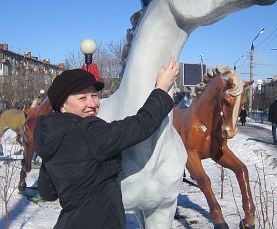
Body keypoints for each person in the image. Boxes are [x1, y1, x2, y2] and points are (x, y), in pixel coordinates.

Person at [33, 57, 179, 229]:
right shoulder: (88, 130)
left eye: (94, 96)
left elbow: (47, 192)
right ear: (62, 106)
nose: (92, 104)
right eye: (82, 98)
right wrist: (161, 88)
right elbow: (140, 126)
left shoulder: (49, 139)